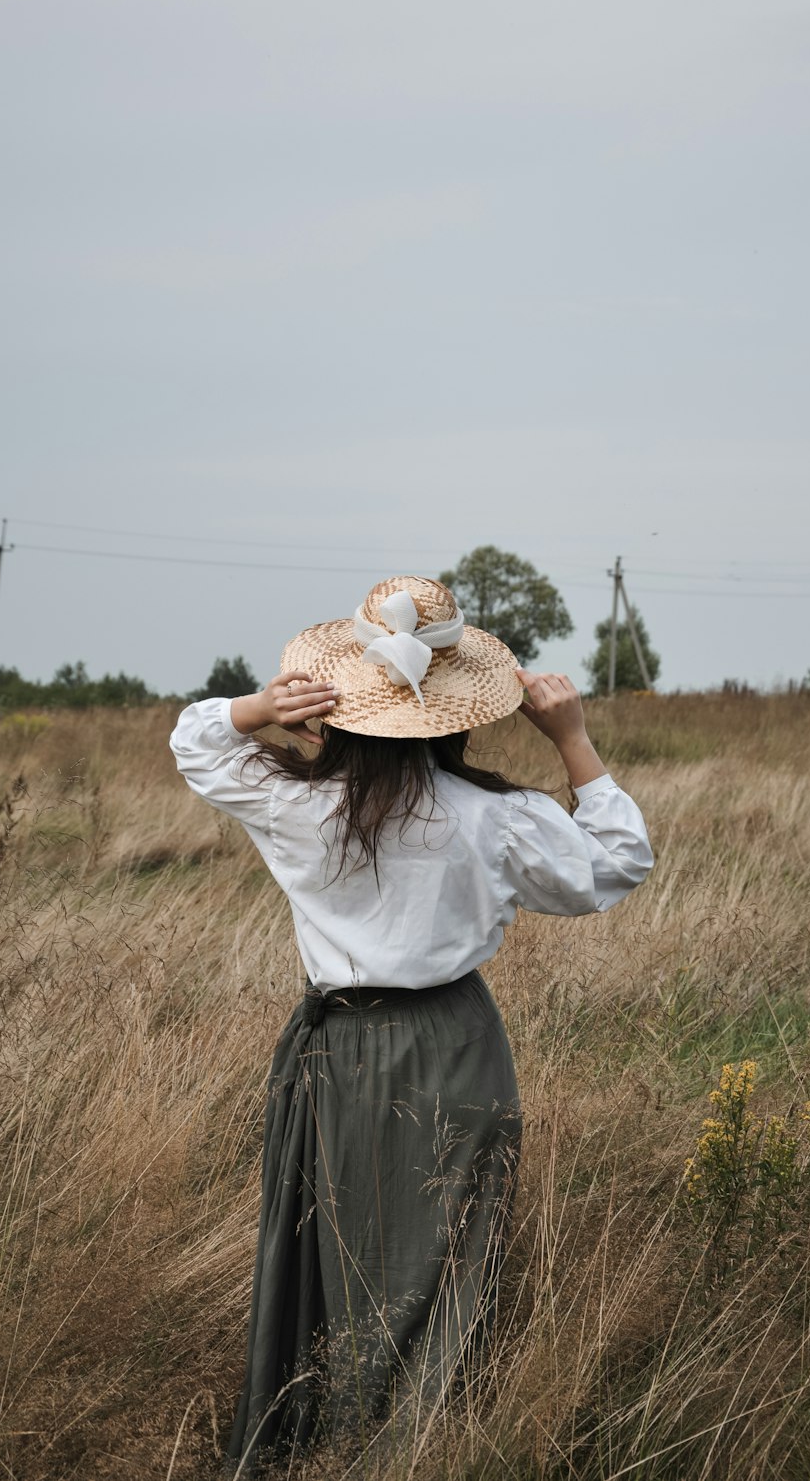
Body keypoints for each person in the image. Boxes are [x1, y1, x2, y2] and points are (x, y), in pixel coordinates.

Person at [169, 574, 653, 1473]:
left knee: (342, 1247)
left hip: (335, 1047)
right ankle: (422, 1447)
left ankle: (327, 1434)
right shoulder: (500, 819)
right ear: (458, 714)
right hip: (456, 1045)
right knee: (445, 1260)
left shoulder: (292, 803)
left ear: (340, 702)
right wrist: (574, 739)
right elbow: (618, 864)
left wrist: (258, 709)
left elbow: (197, 743)